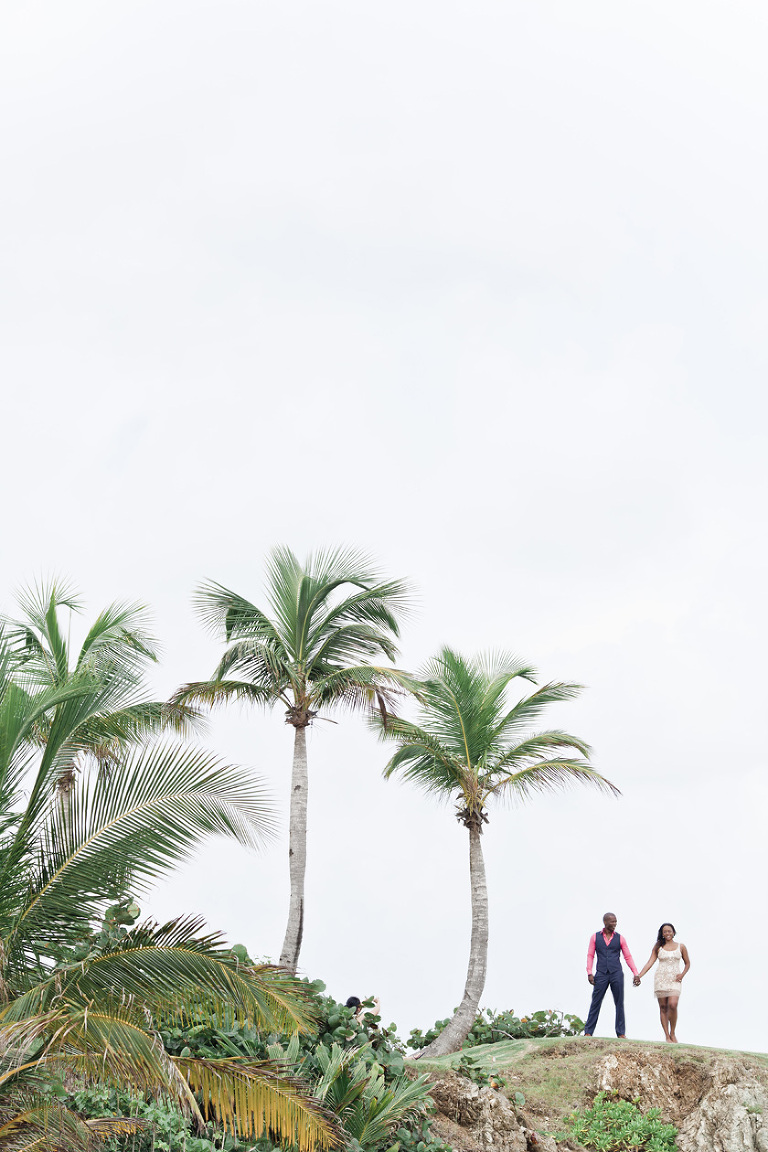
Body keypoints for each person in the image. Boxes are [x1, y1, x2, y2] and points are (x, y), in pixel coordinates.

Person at [584, 912, 640, 1038]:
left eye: (615, 921)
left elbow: (628, 956)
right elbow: (590, 955)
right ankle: (588, 1032)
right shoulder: (595, 937)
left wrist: (635, 973)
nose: (614, 924)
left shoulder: (620, 938)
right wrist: (589, 972)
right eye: (612, 921)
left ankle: (621, 1033)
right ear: (605, 922)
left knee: (619, 1003)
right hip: (601, 973)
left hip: (616, 973)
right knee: (595, 1002)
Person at [635, 923, 690, 1043]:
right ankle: (667, 1036)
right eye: (665, 932)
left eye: (669, 931)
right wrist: (639, 975)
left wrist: (682, 974)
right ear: (662, 934)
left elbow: (687, 963)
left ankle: (673, 1032)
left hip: (675, 980)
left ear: (673, 932)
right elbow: (650, 962)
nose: (667, 933)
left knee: (673, 1005)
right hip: (661, 979)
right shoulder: (658, 946)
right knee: (663, 1007)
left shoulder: (681, 946)